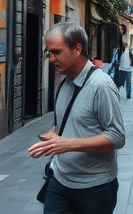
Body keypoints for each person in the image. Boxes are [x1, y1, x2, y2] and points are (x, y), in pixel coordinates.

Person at [28, 23, 126, 214]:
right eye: (49, 52)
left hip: (95, 187)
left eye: (57, 52)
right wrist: (51, 135)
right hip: (60, 180)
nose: (52, 59)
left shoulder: (101, 86)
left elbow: (117, 137)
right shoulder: (63, 81)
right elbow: (64, 121)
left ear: (77, 49)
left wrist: (67, 144)